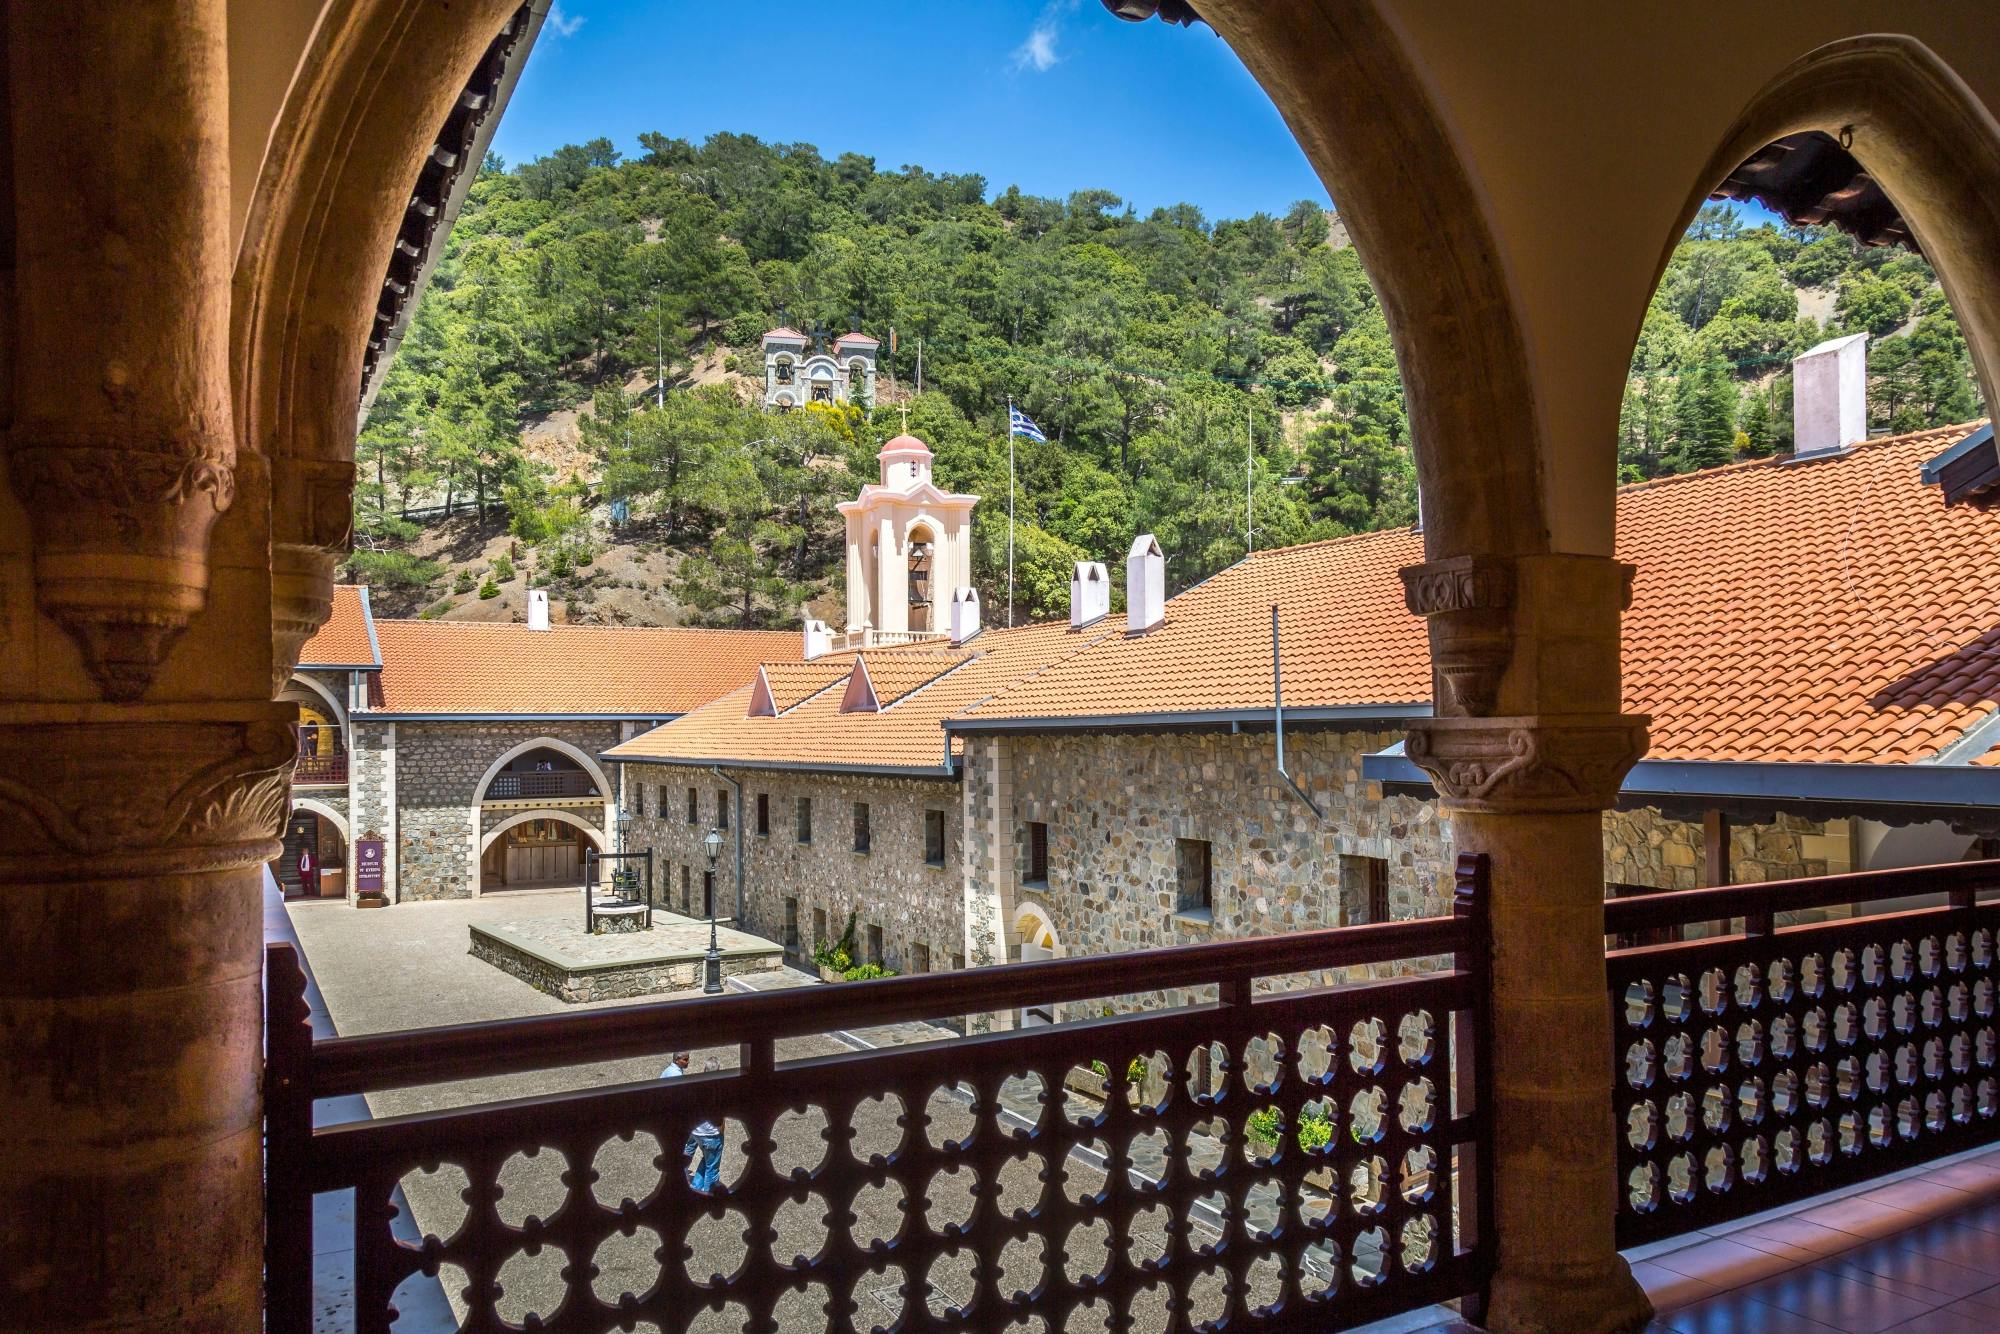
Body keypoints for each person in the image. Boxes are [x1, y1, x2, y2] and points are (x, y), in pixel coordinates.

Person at [660, 1053, 724, 1191]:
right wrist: (721, 1129)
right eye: (685, 1059)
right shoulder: (718, 1088)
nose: (688, 1061)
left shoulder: (696, 1085)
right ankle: (707, 1196)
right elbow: (718, 1116)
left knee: (693, 1155)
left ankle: (691, 1185)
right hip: (711, 1134)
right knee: (712, 1167)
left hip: (695, 1131)